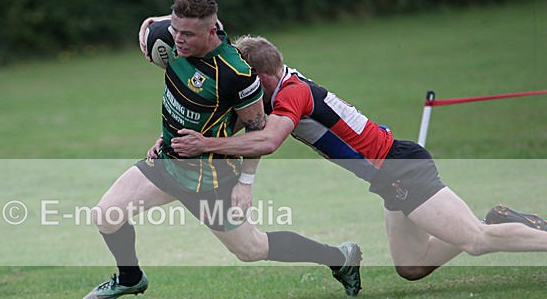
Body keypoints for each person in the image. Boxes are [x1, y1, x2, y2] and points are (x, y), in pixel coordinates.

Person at [170, 34, 547, 280]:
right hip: (388, 176)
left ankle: (491, 228)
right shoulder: (277, 92)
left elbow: (267, 141)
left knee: (477, 242)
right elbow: (235, 122)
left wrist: (204, 145)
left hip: (399, 167)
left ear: (261, 77)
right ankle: (495, 220)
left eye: (243, 78)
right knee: (412, 266)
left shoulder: (292, 94)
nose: (238, 85)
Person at [80, 0, 362, 299]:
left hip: (209, 178)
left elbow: (256, 129)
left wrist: (246, 183)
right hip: (167, 162)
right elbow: (151, 29)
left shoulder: (235, 74)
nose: (178, 40)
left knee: (251, 249)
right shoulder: (171, 39)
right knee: (106, 214)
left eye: (188, 34)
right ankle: (130, 278)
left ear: (211, 31)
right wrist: (165, 132)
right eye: (175, 30)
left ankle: (339, 258)